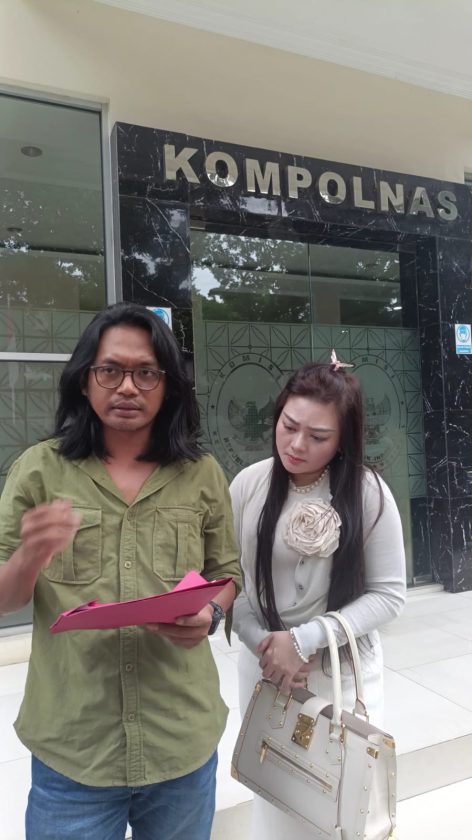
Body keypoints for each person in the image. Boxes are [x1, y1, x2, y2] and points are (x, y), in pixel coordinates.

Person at [0, 302, 241, 840]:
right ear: (85, 380)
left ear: (168, 385)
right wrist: (28, 557)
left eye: (146, 373)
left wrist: (211, 612)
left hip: (180, 740)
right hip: (75, 750)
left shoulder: (202, 473)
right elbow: (4, 598)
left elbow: (228, 573)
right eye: (110, 370)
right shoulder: (39, 471)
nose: (127, 387)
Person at [230, 353, 406, 840]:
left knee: (337, 807)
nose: (296, 444)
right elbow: (231, 581)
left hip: (338, 675)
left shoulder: (368, 493)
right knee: (274, 796)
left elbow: (389, 595)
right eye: (289, 426)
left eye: (318, 436)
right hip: (265, 669)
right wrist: (267, 645)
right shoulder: (248, 485)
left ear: (344, 439)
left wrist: (303, 640)